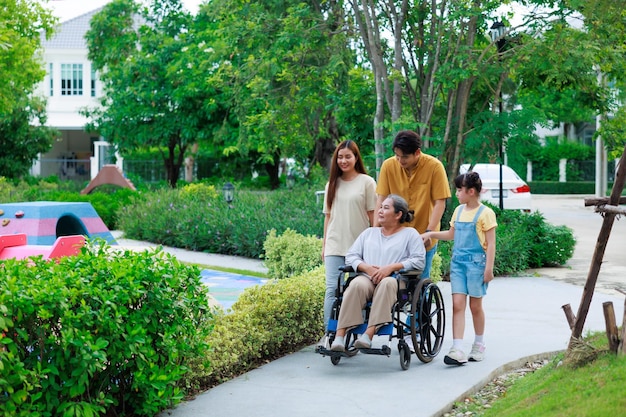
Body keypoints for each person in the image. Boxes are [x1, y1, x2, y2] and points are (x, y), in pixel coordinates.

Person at [330, 194, 425, 351]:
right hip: (367, 278)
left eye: (385, 208)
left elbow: (419, 261)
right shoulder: (369, 233)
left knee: (387, 283)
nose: (380, 211)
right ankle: (339, 337)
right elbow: (351, 257)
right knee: (356, 285)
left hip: (395, 281)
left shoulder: (410, 234)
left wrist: (391, 267)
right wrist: (365, 267)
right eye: (380, 207)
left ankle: (368, 334)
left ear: (398, 214)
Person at [422, 172, 497, 365]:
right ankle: (457, 348)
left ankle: (479, 344)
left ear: (471, 191)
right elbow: (451, 234)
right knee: (457, 305)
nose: (456, 193)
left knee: (475, 306)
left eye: (459, 189)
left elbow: (491, 243)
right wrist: (430, 235)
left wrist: (489, 269)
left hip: (477, 265)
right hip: (458, 264)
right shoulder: (458, 211)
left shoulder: (486, 213)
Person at [375, 130, 450, 280]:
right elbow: (381, 200)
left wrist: (429, 232)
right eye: (397, 156)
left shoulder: (434, 167)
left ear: (417, 152)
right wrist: (376, 230)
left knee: (420, 279)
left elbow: (440, 203)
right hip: (394, 235)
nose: (400, 160)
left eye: (405, 157)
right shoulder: (388, 166)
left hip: (423, 234)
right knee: (393, 280)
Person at [322, 140, 377, 332]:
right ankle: (329, 333)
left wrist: (375, 246)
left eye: (348, 156)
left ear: (356, 158)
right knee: (332, 290)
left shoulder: (367, 182)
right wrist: (325, 245)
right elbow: (328, 218)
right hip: (335, 245)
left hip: (359, 248)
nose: (343, 160)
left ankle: (354, 330)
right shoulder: (332, 184)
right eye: (340, 157)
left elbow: (373, 218)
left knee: (357, 291)